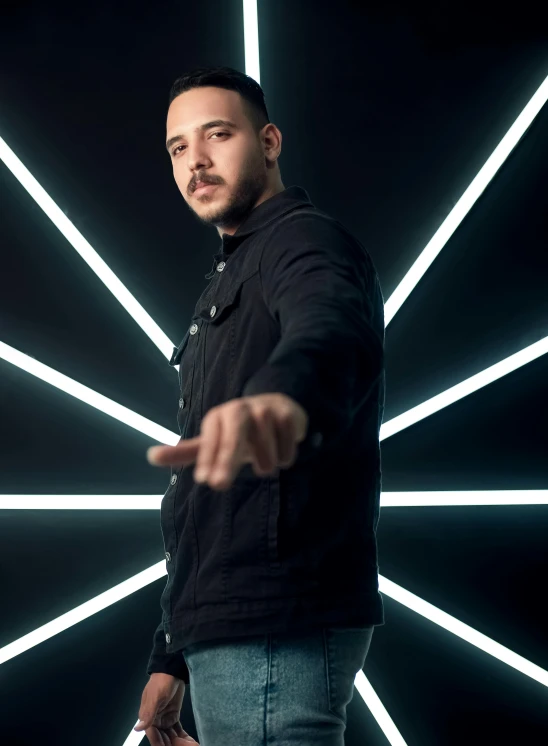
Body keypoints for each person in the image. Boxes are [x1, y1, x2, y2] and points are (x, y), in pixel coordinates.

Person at [134, 66, 385, 746]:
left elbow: (330, 326)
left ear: (268, 141)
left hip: (274, 623)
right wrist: (171, 651)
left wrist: (279, 397)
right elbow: (201, 505)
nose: (197, 161)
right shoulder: (229, 276)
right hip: (230, 627)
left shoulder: (302, 243)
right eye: (178, 148)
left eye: (218, 135)